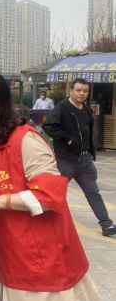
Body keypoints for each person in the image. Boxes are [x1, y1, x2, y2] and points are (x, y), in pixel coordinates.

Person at [0, 71, 100, 301]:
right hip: (11, 250)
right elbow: (0, 189)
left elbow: (50, 195)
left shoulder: (25, 139)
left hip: (43, 256)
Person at [43, 78, 116, 237]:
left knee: (93, 192)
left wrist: (90, 151)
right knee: (55, 192)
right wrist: (67, 138)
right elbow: (48, 126)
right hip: (66, 160)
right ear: (71, 91)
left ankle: (107, 224)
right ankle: (43, 222)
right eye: (78, 90)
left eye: (85, 91)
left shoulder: (86, 109)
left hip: (85, 160)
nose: (81, 93)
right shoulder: (63, 107)